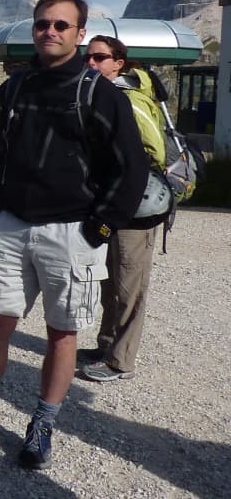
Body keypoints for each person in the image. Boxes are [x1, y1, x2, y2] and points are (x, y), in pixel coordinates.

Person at [0, 0, 148, 470]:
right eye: (43, 24)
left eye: (62, 25)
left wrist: (99, 228)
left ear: (80, 34)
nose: (50, 32)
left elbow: (131, 169)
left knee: (61, 334)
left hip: (73, 232)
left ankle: (43, 424)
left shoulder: (100, 94)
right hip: (13, 228)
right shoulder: (15, 88)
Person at [78, 35, 167, 382]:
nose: (92, 64)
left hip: (137, 206)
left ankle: (121, 360)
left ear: (119, 63)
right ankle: (107, 345)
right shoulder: (103, 96)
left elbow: (154, 151)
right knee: (111, 278)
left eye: (100, 58)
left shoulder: (128, 99)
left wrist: (124, 170)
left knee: (130, 281)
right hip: (111, 202)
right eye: (88, 57)